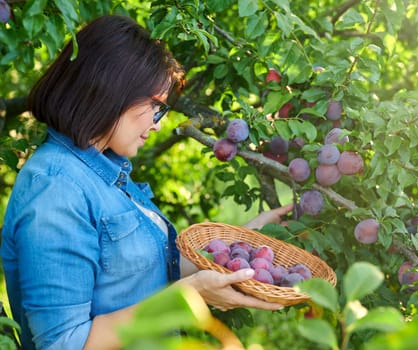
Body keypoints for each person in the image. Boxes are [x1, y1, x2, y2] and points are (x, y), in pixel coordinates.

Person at [0, 14, 293, 350]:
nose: (157, 124)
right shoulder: (56, 188)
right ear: (111, 88)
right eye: (156, 106)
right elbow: (65, 343)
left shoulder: (104, 172)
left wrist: (240, 247)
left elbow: (143, 273)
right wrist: (189, 294)